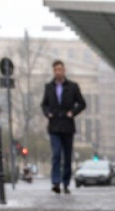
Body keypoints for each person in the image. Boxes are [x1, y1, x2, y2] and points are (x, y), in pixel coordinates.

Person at [41, 60, 86, 194]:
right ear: (53, 71)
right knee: (56, 154)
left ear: (64, 70)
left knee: (67, 156)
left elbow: (82, 103)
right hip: (54, 125)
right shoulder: (49, 87)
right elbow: (44, 104)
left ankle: (65, 183)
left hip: (67, 126)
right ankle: (56, 182)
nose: (58, 72)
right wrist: (47, 113)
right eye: (56, 70)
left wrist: (73, 112)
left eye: (60, 69)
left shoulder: (72, 87)